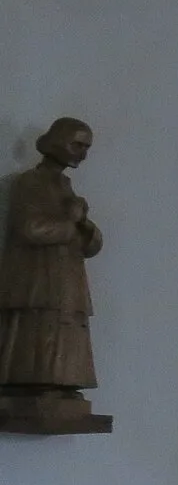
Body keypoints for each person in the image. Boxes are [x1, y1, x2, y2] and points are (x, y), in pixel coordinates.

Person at [0, 117, 103, 394]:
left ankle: (63, 382)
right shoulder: (30, 182)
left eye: (86, 147)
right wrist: (71, 222)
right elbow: (30, 228)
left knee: (65, 330)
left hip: (66, 278)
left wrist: (85, 226)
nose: (82, 153)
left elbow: (89, 245)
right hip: (39, 277)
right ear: (57, 141)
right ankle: (35, 383)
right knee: (39, 332)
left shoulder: (66, 186)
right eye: (77, 144)